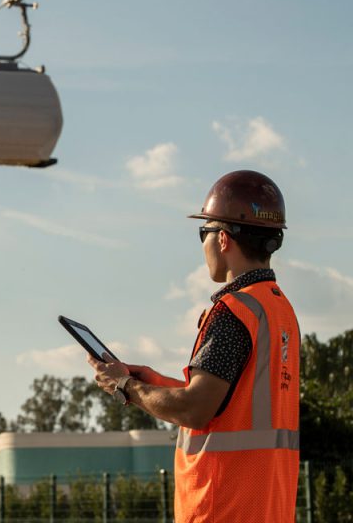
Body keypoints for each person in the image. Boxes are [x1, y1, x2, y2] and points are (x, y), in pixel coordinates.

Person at [88, 170, 299, 522]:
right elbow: (226, 405)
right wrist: (151, 381)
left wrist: (126, 385)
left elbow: (196, 409)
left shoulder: (233, 312)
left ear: (222, 239)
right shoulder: (279, 311)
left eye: (203, 231)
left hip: (222, 508)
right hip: (267, 509)